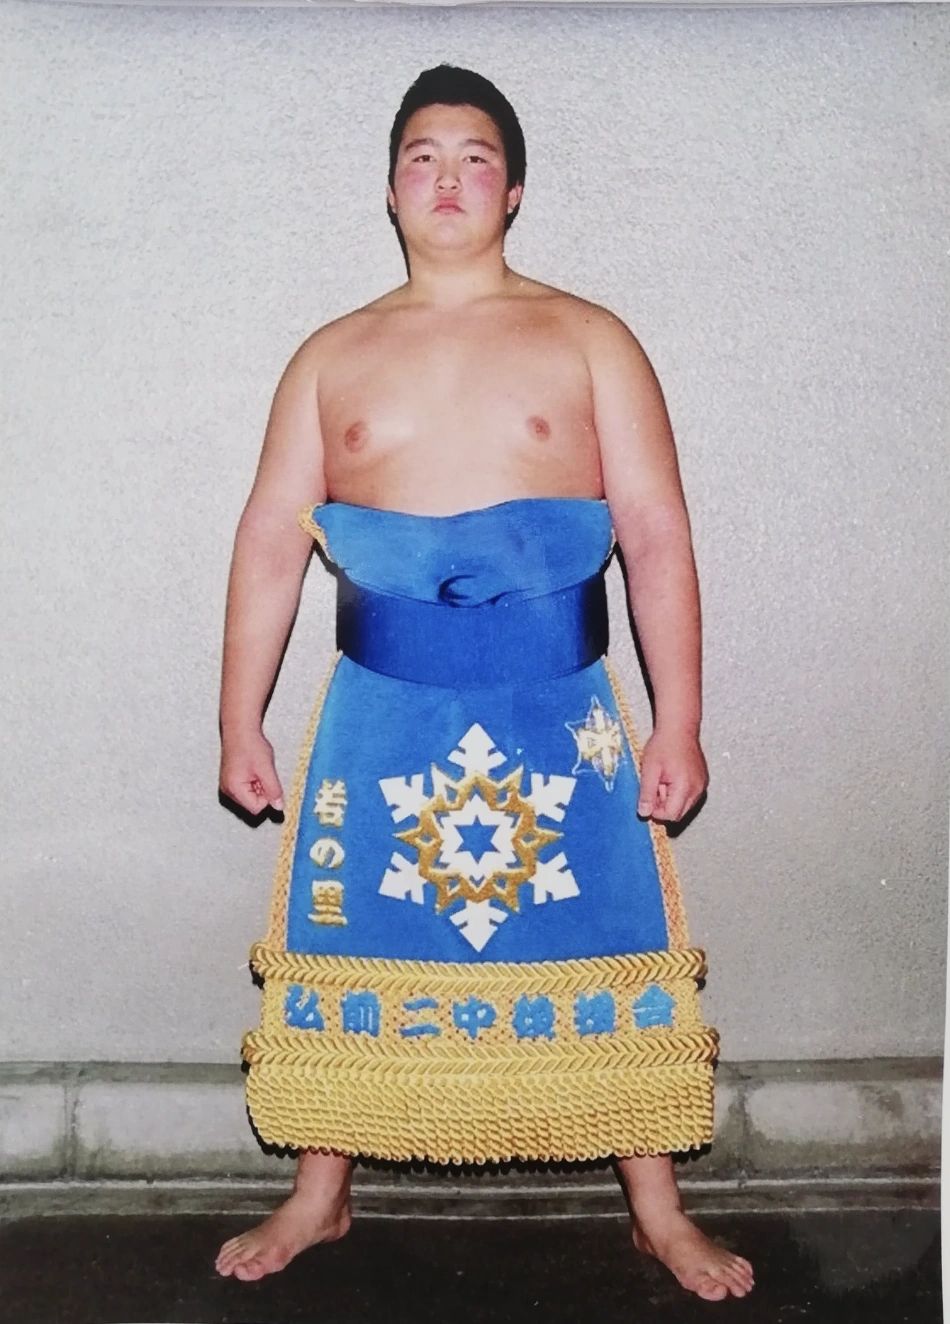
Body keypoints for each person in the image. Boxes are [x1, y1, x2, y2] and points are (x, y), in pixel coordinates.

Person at [214, 64, 753, 1302]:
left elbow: (655, 532)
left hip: (559, 702)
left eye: (473, 158)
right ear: (389, 189)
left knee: (606, 930)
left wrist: (679, 719)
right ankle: (321, 1188)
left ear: (511, 191)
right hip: (378, 703)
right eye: (421, 157)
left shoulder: (588, 336)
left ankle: (656, 1207)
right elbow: (268, 541)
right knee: (355, 928)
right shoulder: (329, 355)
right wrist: (237, 715)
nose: (446, 177)